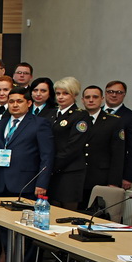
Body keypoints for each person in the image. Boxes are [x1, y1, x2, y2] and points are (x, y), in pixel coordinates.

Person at [0, 86, 54, 262]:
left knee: (27, 228)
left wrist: (42, 183)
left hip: (28, 183)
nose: (14, 105)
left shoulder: (39, 124)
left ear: (29, 103)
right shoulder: (0, 124)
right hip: (2, 183)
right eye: (11, 101)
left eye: (19, 101)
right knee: (4, 228)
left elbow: (47, 156)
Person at [80, 85, 125, 207]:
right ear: (82, 100)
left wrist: (114, 182)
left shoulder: (114, 121)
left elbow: (118, 154)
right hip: (78, 176)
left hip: (100, 177)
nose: (91, 100)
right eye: (87, 97)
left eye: (95, 97)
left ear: (102, 99)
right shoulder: (77, 118)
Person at [48, 77, 88, 211]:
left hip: (70, 170)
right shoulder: (51, 114)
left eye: (65, 93)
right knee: (52, 209)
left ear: (74, 95)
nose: (60, 97)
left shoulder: (80, 115)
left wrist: (53, 164)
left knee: (66, 210)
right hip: (52, 169)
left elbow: (74, 146)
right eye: (58, 93)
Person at [103, 80, 132, 189]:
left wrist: (128, 177)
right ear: (105, 93)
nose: (114, 95)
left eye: (119, 92)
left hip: (115, 173)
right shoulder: (95, 112)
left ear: (124, 95)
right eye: (110, 91)